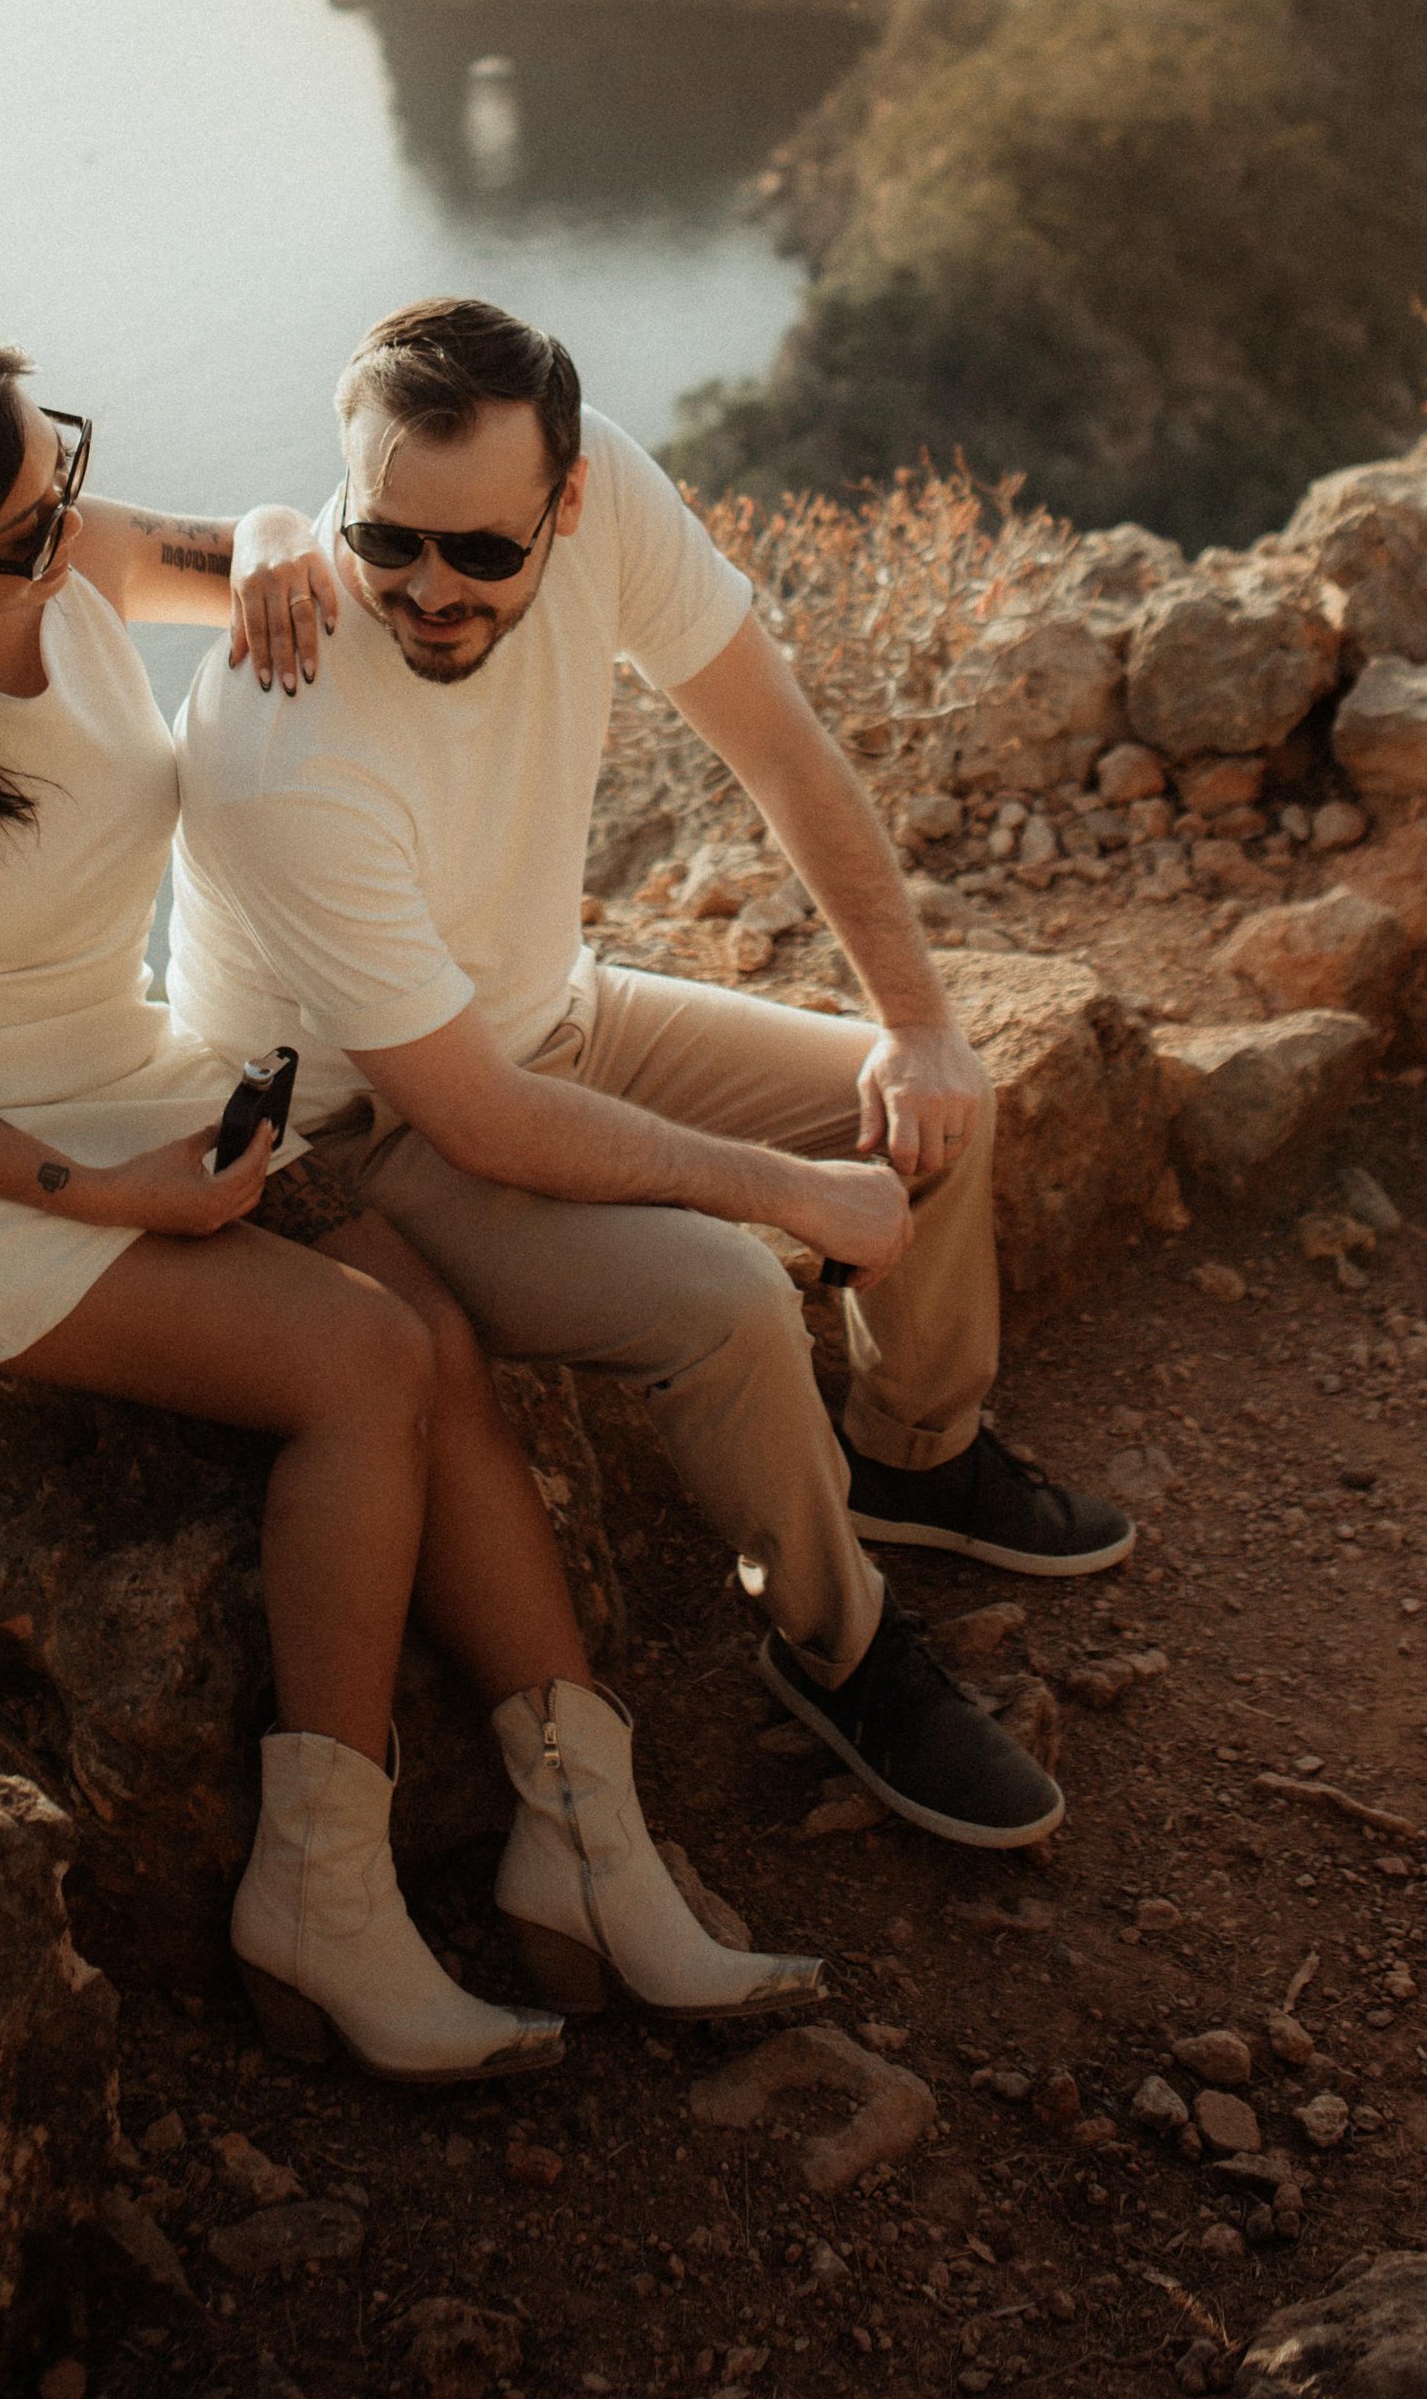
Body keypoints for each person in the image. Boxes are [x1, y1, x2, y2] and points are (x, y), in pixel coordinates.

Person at [0, 319, 819, 2085]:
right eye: (25, 512)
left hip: (145, 1072)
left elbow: (257, 550)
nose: (69, 516)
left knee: (442, 1342)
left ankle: (590, 1850)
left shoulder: (64, 547)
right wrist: (114, 1195)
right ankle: (319, 1894)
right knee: (358, 1370)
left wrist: (290, 533)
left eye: (59, 460)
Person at [167, 297, 1136, 1853]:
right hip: (368, 1130)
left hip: (555, 1013)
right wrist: (789, 1197)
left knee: (931, 1105)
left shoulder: (607, 483)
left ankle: (917, 1457)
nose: (429, 590)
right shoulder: (283, 741)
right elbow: (472, 1115)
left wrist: (922, 1020)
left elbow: (779, 743)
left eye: (482, 553)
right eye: (385, 542)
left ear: (565, 499)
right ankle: (841, 1646)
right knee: (736, 1300)